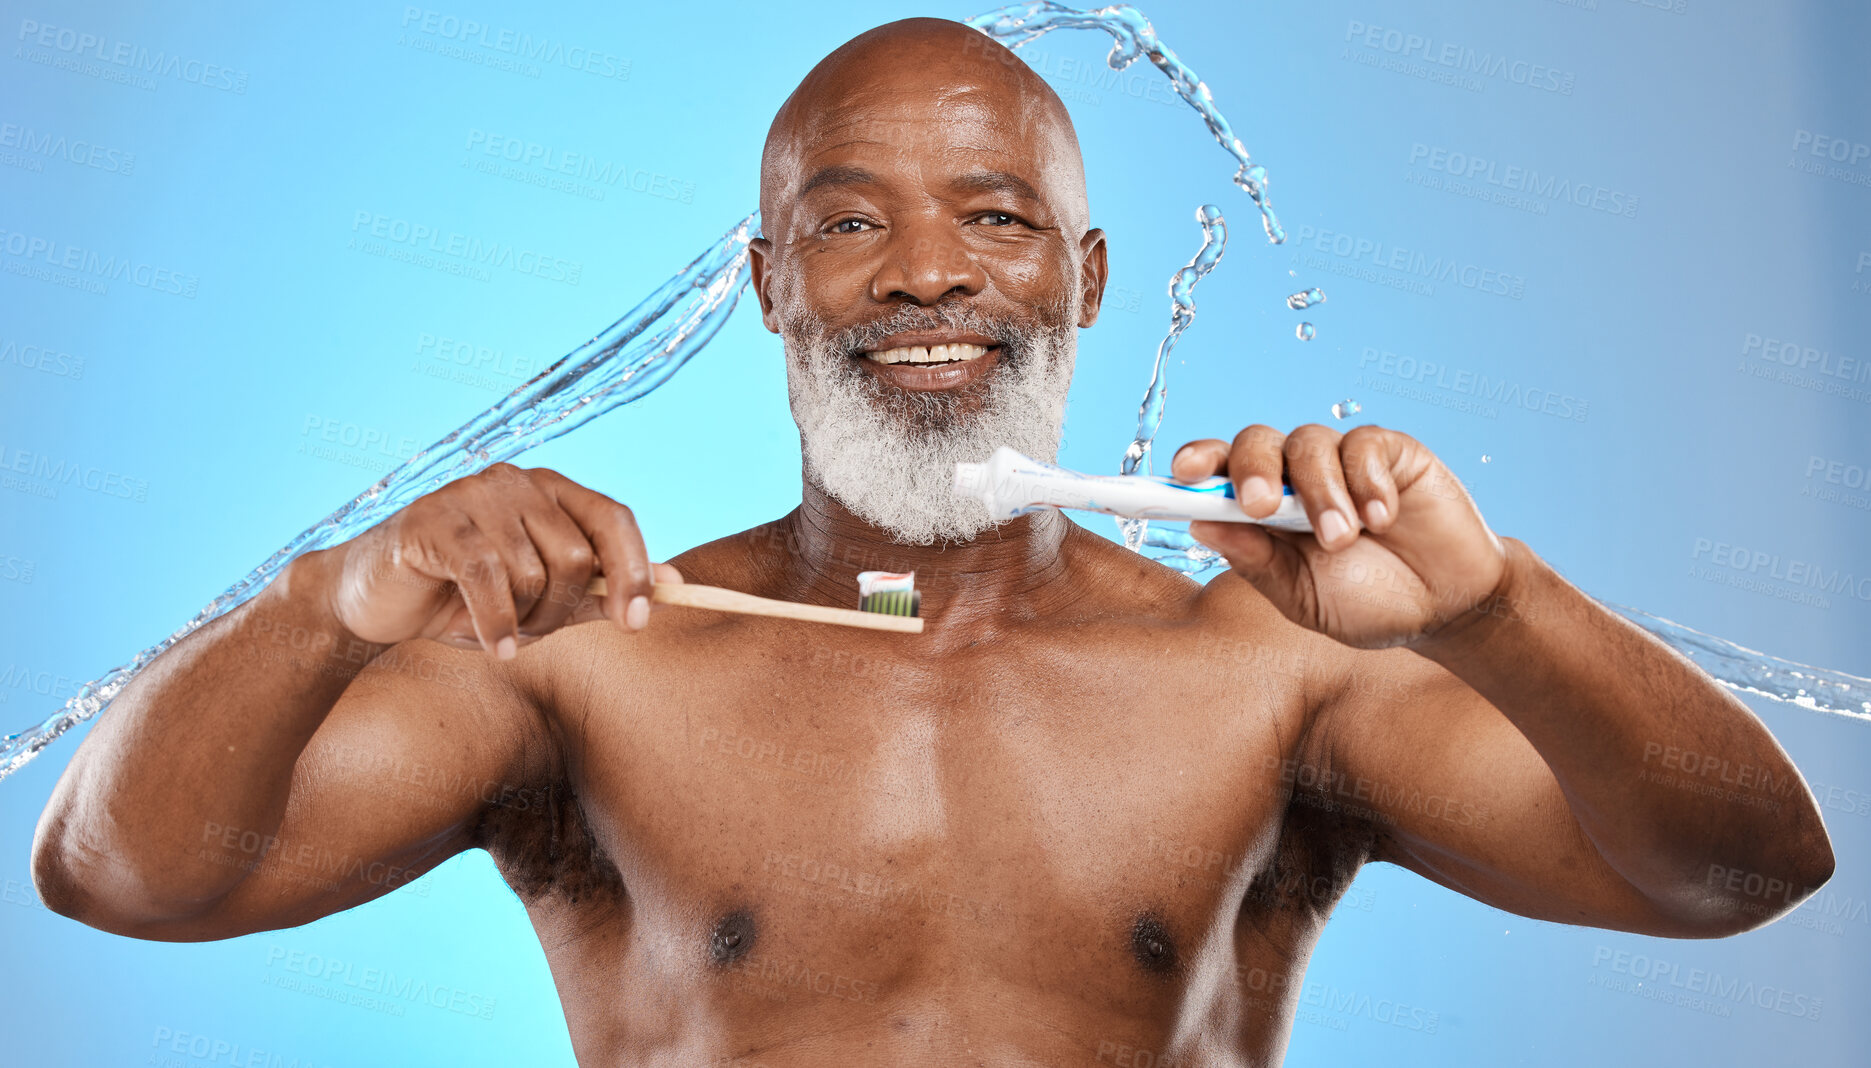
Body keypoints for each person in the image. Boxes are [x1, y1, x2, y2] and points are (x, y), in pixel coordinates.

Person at [32, 17, 1833, 1067]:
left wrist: (1495, 610)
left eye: (996, 217)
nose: (926, 275)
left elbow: (1740, 876)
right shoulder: (601, 657)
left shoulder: (1261, 675)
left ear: (1086, 280)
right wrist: (328, 604)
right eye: (844, 224)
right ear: (764, 286)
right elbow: (125, 878)